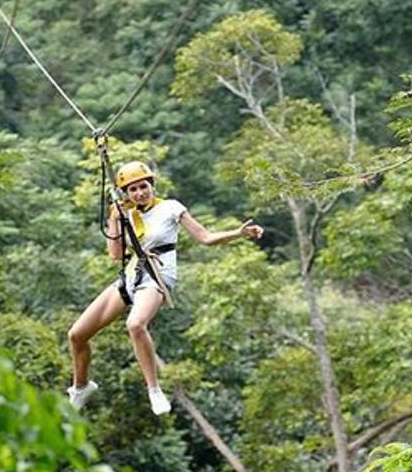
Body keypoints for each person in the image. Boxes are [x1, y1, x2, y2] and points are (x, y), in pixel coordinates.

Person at [67, 161, 264, 415]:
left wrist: (238, 233)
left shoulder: (170, 208)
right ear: (126, 193)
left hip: (157, 276)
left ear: (152, 185)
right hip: (130, 277)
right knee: (76, 335)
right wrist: (114, 218)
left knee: (135, 324)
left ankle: (154, 389)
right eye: (133, 189)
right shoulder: (126, 214)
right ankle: (81, 386)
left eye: (143, 186)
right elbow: (116, 255)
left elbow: (205, 238)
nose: (140, 193)